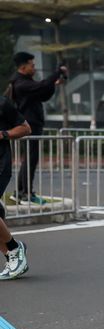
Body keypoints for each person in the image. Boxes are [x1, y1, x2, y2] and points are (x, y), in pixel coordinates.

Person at [8, 52, 67, 205]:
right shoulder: (20, 83)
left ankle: (21, 192)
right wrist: (56, 72)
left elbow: (43, 93)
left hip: (32, 124)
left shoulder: (25, 82)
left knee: (29, 159)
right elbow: (41, 86)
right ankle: (25, 194)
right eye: (32, 65)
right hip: (29, 126)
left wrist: (54, 82)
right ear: (23, 67)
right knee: (30, 159)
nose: (34, 68)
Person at [0, 96, 32, 280]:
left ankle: (14, 248)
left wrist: (3, 134)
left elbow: (26, 128)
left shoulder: (2, 103)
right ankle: (12, 257)